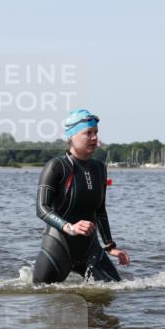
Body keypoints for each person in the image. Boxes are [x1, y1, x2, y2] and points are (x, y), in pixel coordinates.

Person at [33, 109, 129, 284]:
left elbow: (99, 210)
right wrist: (69, 227)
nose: (94, 138)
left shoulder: (99, 168)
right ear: (72, 136)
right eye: (88, 133)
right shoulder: (56, 166)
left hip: (89, 248)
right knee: (40, 295)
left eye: (96, 133)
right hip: (58, 245)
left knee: (116, 291)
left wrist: (110, 246)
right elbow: (41, 209)